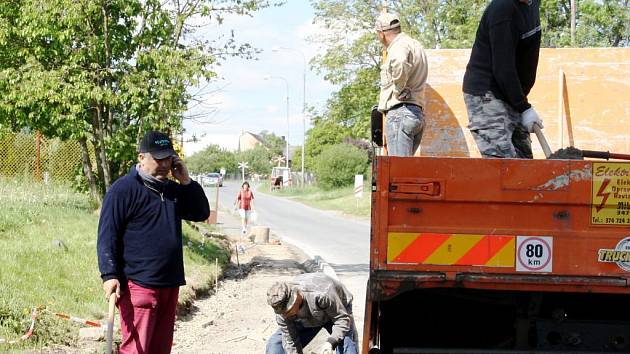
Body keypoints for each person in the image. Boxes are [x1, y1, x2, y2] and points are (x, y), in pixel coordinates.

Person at [97, 131, 210, 354]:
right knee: (137, 349)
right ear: (141, 158)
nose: (164, 164)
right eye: (158, 159)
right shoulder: (123, 190)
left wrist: (186, 181)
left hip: (170, 284)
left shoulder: (172, 190)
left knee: (160, 349)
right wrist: (109, 275)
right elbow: (107, 234)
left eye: (168, 158)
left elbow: (201, 212)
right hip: (139, 285)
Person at [463, 0, 543, 159]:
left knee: (525, 165)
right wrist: (524, 107)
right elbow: (502, 67)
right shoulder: (503, 9)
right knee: (503, 168)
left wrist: (521, 103)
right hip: (487, 96)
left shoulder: (533, 4)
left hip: (511, 95)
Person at [375, 12, 428, 157]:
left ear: (381, 34)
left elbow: (399, 61)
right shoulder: (415, 44)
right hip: (416, 113)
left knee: (398, 172)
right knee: (406, 171)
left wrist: (398, 89)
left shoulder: (399, 46)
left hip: (401, 113)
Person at [265, 273, 359, 354]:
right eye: (283, 313)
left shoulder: (322, 294)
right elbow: (291, 342)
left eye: (288, 311)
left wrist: (331, 342)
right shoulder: (282, 313)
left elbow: (342, 320)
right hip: (307, 319)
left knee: (347, 345)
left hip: (336, 313)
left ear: (297, 297)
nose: (286, 315)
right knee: (275, 345)